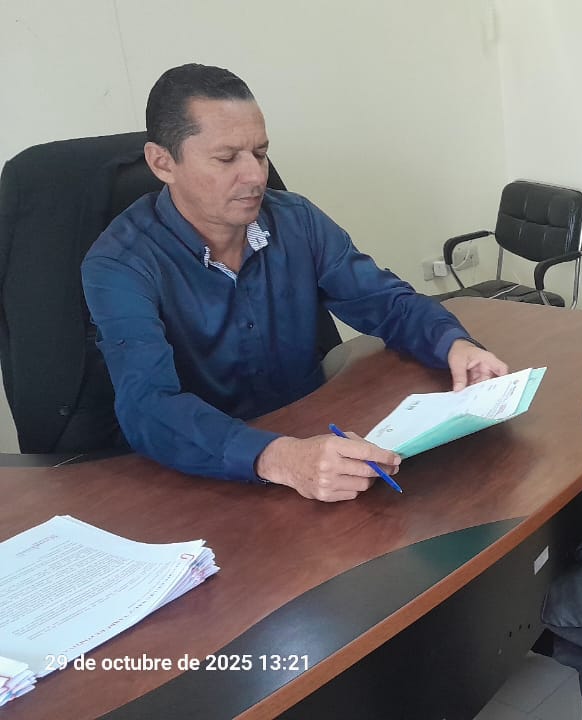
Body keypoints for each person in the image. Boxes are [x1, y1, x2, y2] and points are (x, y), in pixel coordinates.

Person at [82, 63, 508, 502]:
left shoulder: (296, 220)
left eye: (260, 153)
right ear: (162, 162)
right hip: (209, 480)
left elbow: (386, 301)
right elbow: (148, 406)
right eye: (227, 158)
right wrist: (277, 458)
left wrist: (454, 345)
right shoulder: (120, 263)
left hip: (320, 447)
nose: (255, 176)